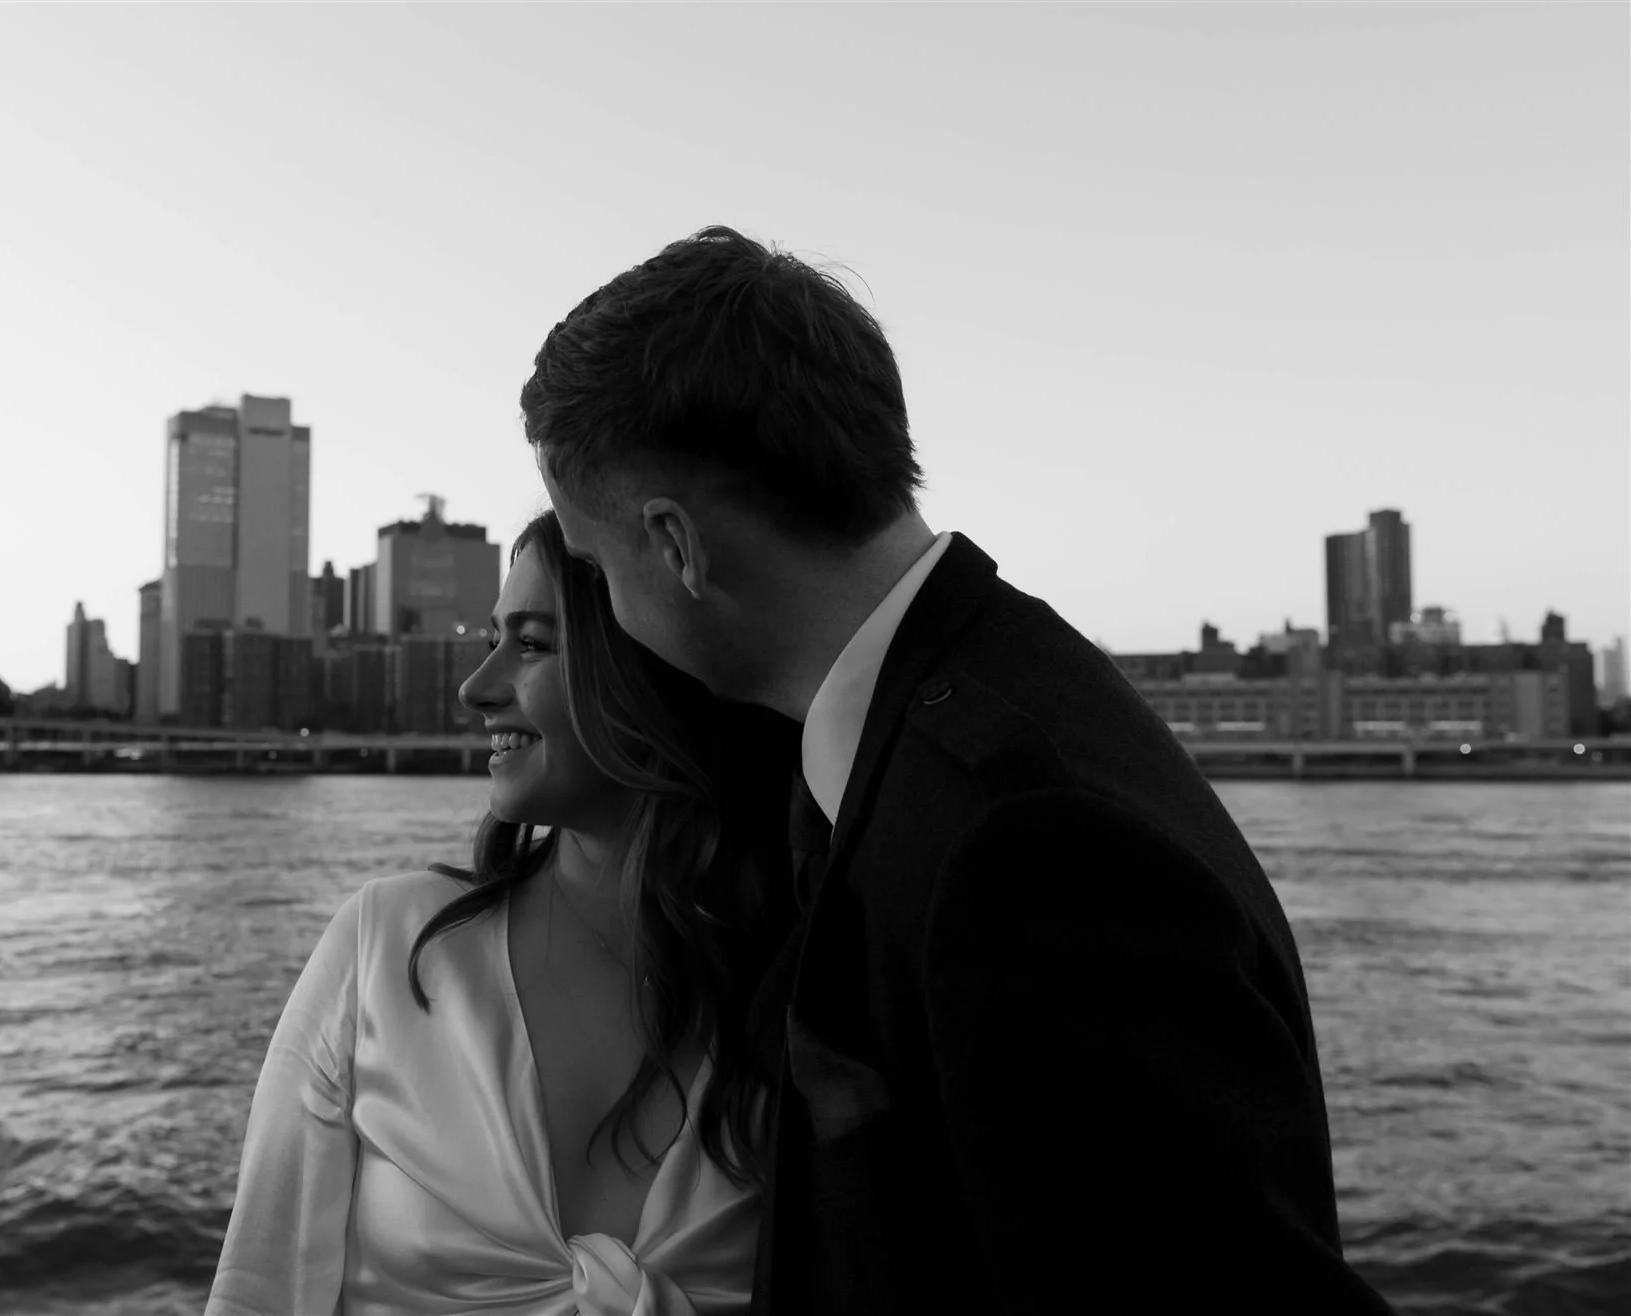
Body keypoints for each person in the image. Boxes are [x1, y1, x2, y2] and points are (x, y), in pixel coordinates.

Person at [521, 225, 1400, 1314]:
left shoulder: (1023, 842)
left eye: (598, 564)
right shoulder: (965, 719)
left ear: (675, 545)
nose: (607, 603)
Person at [204, 510, 800, 1316]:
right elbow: (256, 1292)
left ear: (649, 668)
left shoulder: (804, 996)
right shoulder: (386, 950)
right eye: (494, 638)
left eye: (530, 643)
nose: (474, 688)